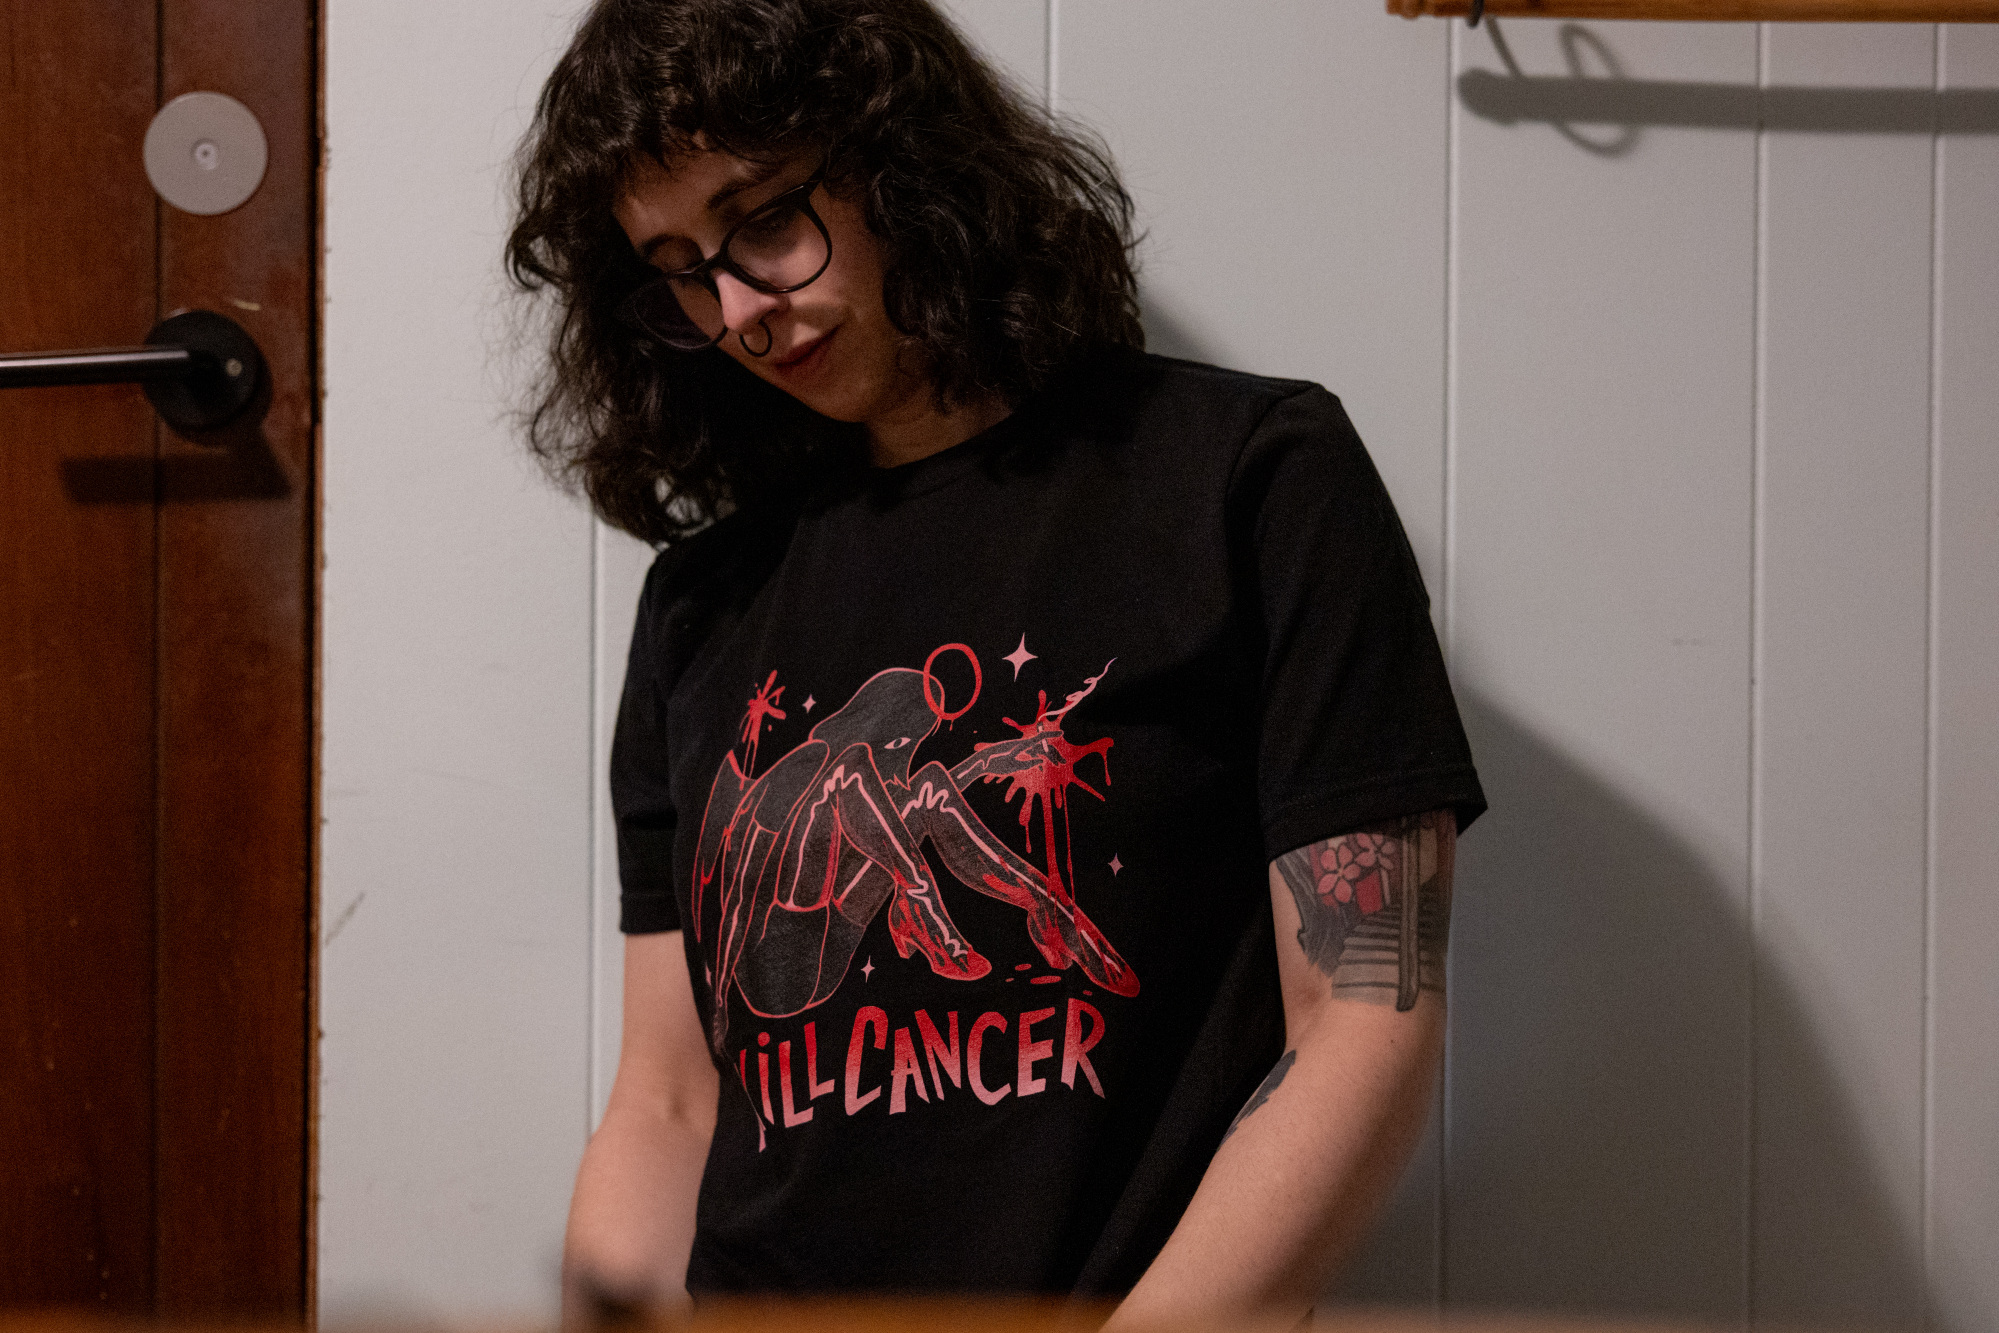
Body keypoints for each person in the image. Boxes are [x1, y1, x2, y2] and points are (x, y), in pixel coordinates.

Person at [506, 0, 1485, 1323]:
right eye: (679, 268)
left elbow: (1365, 1015)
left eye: (765, 217)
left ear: (897, 150)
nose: (738, 310)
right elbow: (669, 1100)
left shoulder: (1249, 482)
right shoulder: (703, 605)